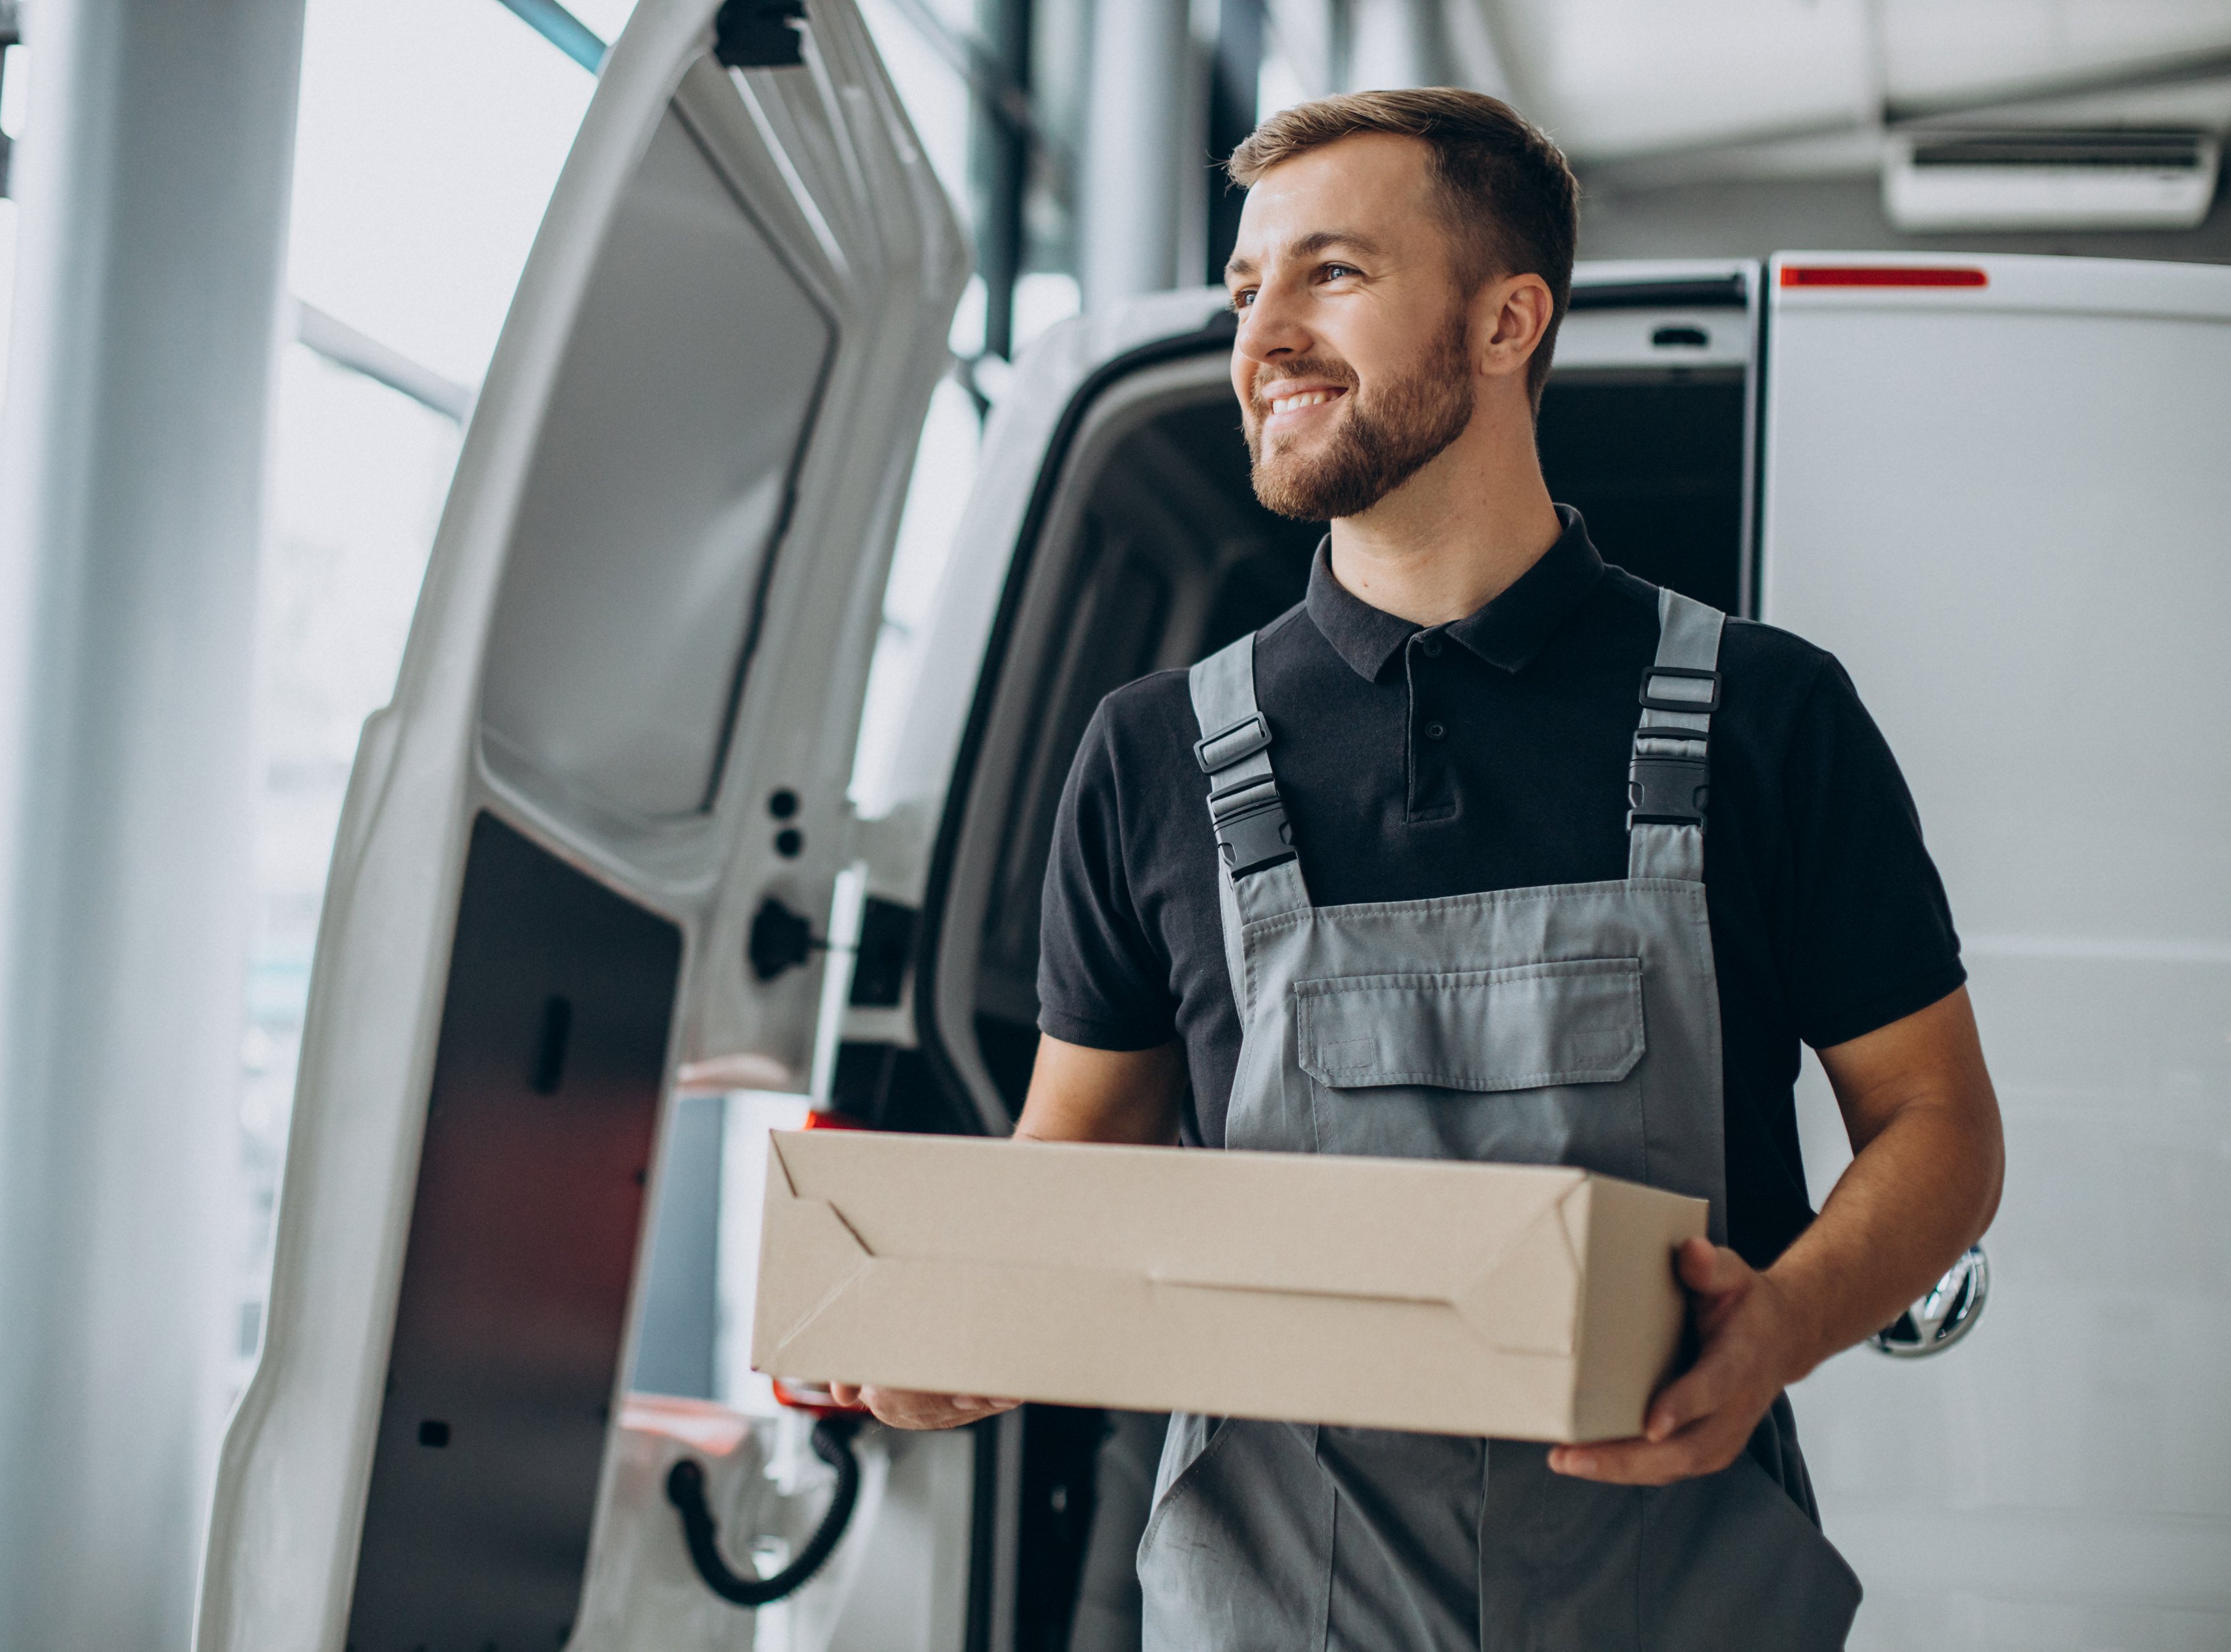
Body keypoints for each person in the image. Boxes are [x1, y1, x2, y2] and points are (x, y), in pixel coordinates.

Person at [832, 89, 2004, 1649]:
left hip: (1672, 1602)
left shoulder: (1762, 716)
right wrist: (955, 1316)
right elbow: (1082, 1153)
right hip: (1272, 1609)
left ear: (1508, 318)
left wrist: (1778, 1325)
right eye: (1252, 289)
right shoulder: (1151, 756)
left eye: (1332, 274)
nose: (1266, 336)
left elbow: (1939, 1124)